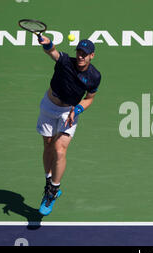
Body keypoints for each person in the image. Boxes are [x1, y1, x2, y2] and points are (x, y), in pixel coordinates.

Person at [36, 35, 101, 216]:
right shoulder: (65, 61)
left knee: (59, 149)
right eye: (79, 52)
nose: (81, 56)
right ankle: (49, 181)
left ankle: (53, 191)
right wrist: (47, 43)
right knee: (48, 144)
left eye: (85, 54)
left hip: (69, 113)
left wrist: (77, 110)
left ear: (92, 56)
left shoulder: (94, 76)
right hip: (49, 106)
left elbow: (89, 99)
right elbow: (53, 52)